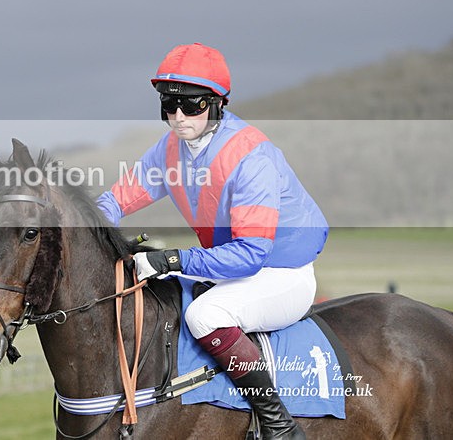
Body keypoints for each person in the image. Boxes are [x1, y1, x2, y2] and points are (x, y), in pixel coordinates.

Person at [96, 43, 328, 440]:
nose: (179, 117)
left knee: (204, 316)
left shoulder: (251, 158)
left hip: (281, 271)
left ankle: (279, 423)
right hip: (233, 265)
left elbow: (252, 254)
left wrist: (171, 260)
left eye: (192, 106)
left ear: (219, 104)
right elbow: (118, 198)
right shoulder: (170, 149)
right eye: (169, 105)